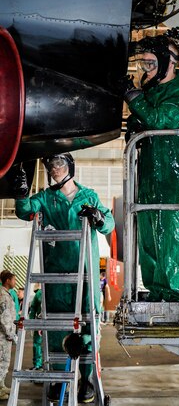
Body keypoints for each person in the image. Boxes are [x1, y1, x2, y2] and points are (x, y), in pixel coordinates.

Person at [14, 153, 115, 403]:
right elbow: (24, 210)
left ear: (70, 167)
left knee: (88, 326)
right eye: (50, 165)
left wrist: (99, 218)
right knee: (58, 328)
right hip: (56, 276)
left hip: (86, 273)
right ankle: (59, 380)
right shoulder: (46, 198)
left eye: (59, 164)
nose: (54, 169)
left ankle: (87, 378)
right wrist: (20, 192)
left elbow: (109, 224)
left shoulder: (88, 196)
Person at [122, 35, 179, 301]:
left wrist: (134, 98)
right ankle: (157, 290)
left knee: (173, 232)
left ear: (168, 61)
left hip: (173, 173)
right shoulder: (153, 92)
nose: (146, 70)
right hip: (150, 174)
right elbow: (146, 121)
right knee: (150, 234)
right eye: (143, 65)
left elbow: (160, 119)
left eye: (150, 64)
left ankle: (177, 294)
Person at [0, 270, 17, 400]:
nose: (15, 282)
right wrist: (11, 334)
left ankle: (1, 385)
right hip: (3, 336)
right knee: (1, 361)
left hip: (5, 335)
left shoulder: (6, 294)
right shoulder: (3, 295)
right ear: (7, 281)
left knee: (5, 362)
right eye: (13, 279)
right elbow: (4, 317)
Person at [29, 285, 42, 371]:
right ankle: (37, 364)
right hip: (40, 322)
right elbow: (33, 308)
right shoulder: (39, 293)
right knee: (37, 344)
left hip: (54, 321)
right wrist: (32, 323)